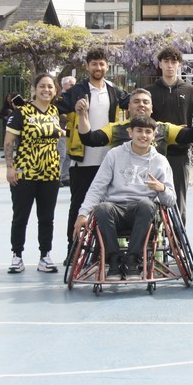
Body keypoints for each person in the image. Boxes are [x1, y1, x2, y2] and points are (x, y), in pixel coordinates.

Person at [74, 116, 176, 281]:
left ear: (154, 135)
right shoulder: (114, 155)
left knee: (146, 204)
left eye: (148, 132)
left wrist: (162, 188)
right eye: (139, 131)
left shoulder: (160, 161)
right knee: (103, 207)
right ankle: (114, 260)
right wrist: (83, 213)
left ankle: (132, 261)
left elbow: (171, 200)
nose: (143, 135)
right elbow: (97, 187)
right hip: (115, 209)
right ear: (130, 132)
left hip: (142, 212)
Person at [57, 48, 129, 262]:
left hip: (108, 159)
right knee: (79, 206)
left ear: (107, 66)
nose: (98, 68)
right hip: (83, 160)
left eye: (102, 64)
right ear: (87, 66)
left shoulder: (114, 90)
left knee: (106, 208)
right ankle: (73, 250)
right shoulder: (76, 91)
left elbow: (136, 104)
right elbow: (55, 108)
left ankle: (101, 251)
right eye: (94, 64)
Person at [4, 73, 63, 274]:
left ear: (55, 91)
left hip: (51, 172)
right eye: (42, 86)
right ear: (35, 89)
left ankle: (45, 255)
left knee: (47, 217)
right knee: (21, 216)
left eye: (50, 87)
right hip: (26, 172)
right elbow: (9, 141)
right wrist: (10, 167)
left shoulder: (55, 111)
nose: (46, 90)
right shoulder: (22, 112)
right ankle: (17, 255)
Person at [145, 46, 193, 220]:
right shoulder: (150, 91)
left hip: (180, 153)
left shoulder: (189, 90)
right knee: (151, 200)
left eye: (173, 62)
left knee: (178, 202)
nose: (170, 65)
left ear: (180, 65)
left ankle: (178, 242)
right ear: (160, 64)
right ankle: (154, 241)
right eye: (166, 62)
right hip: (154, 154)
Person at [76, 88, 193, 158]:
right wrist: (82, 115)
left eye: (145, 102)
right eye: (136, 101)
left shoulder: (163, 128)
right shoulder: (115, 128)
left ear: (152, 108)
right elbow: (89, 139)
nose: (141, 105)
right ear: (129, 106)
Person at [56, 75, 76, 187]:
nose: (73, 87)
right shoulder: (60, 98)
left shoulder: (74, 96)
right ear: (64, 85)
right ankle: (57, 176)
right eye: (71, 84)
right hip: (61, 130)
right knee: (61, 154)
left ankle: (65, 176)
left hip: (70, 131)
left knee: (68, 154)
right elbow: (58, 113)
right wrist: (69, 116)